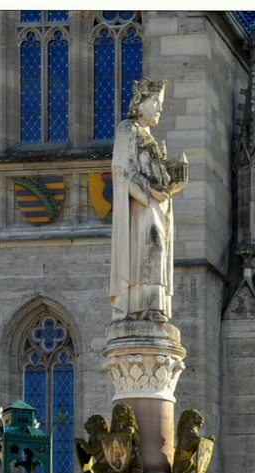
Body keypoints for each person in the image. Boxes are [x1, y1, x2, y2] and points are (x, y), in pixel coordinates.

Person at [110, 77, 189, 323]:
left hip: (158, 205)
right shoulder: (128, 129)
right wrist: (151, 191)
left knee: (158, 251)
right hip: (141, 205)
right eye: (155, 101)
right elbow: (122, 170)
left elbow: (155, 175)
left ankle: (155, 306)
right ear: (141, 103)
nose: (159, 108)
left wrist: (171, 178)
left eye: (160, 103)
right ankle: (139, 306)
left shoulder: (150, 137)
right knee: (150, 246)